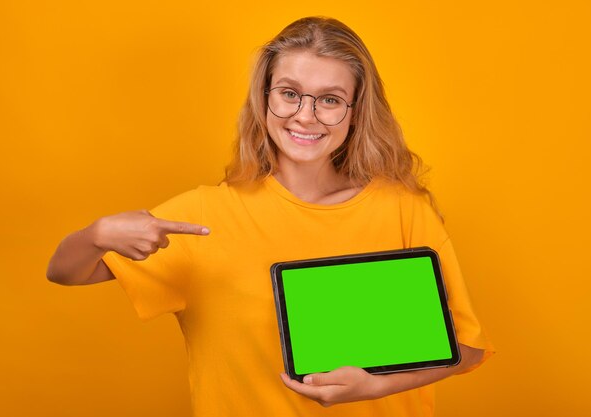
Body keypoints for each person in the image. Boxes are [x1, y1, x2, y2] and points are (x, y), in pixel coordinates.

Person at [47, 16, 493, 416]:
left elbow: (468, 349)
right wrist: (98, 234)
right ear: (264, 100)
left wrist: (378, 385)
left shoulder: (401, 208)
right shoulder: (204, 213)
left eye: (330, 100)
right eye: (289, 94)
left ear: (356, 113)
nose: (306, 116)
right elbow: (65, 272)